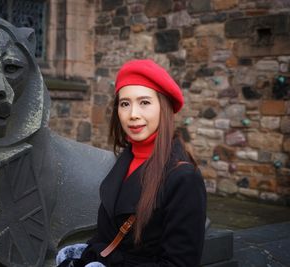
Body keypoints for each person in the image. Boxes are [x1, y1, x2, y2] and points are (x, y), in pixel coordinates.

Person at [56, 59, 207, 267]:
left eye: (144, 102)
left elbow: (179, 264)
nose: (133, 114)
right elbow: (106, 236)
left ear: (164, 108)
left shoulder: (184, 178)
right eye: (125, 104)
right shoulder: (124, 161)